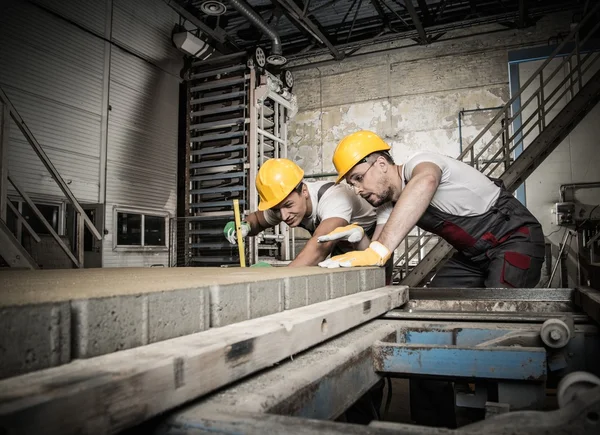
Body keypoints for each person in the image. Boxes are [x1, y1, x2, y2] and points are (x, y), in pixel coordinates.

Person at [319, 130, 545, 289]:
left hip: (515, 238)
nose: (357, 190)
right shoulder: (387, 205)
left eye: (358, 178)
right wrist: (358, 239)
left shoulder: (421, 163)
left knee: (500, 308)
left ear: (380, 164)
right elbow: (377, 255)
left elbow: (426, 181)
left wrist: (379, 249)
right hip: (473, 257)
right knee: (435, 302)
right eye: (352, 184)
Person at [223, 158, 381, 267]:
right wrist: (245, 226)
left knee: (377, 284)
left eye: (288, 205)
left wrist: (274, 279)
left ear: (304, 191)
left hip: (374, 239)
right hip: (341, 244)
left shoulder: (334, 197)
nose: (284, 216)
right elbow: (258, 219)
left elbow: (321, 246)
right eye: (276, 210)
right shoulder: (283, 205)